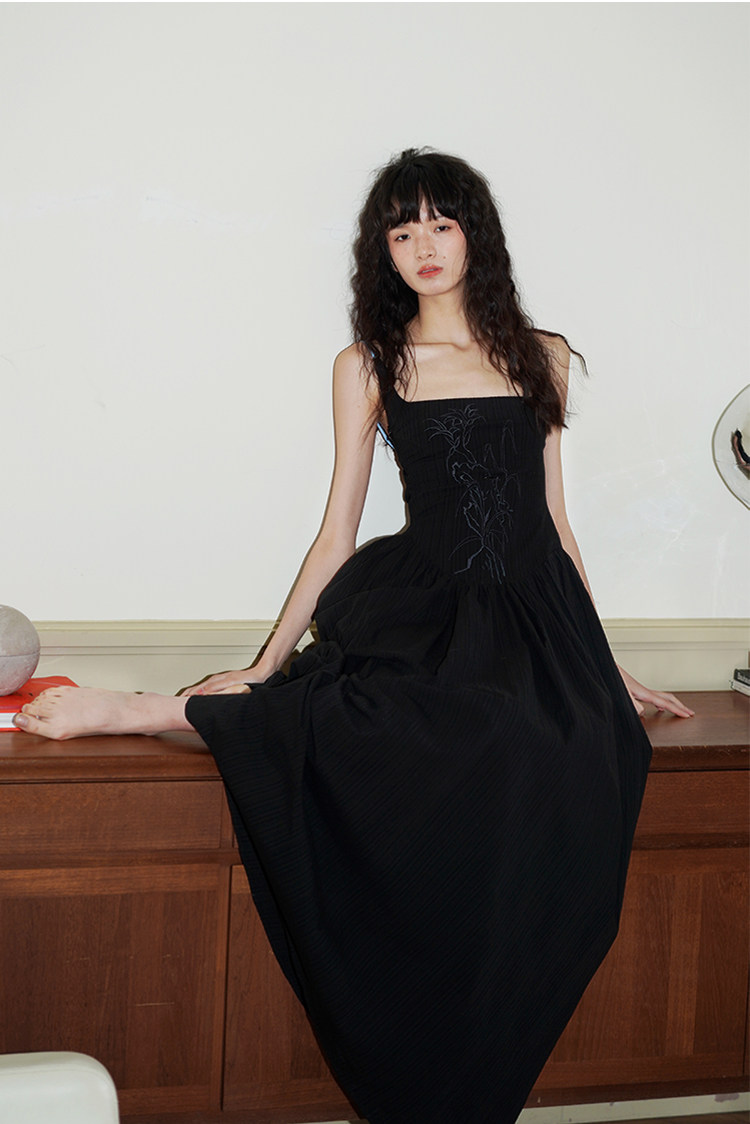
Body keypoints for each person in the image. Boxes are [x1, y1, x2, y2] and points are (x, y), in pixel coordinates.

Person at [14, 149, 693, 1124]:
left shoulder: (540, 353)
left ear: (474, 233)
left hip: (533, 608)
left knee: (575, 744)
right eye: (402, 230)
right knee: (382, 718)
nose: (423, 246)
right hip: (431, 599)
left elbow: (556, 521)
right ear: (384, 250)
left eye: (441, 224)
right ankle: (160, 708)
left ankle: (486, 1025)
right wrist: (264, 662)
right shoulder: (370, 363)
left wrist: (600, 659)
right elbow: (337, 530)